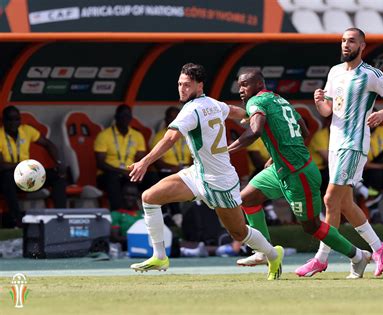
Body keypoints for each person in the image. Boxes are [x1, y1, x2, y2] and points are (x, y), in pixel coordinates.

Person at [128, 63, 284, 280]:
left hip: (220, 181)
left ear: (199, 85)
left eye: (187, 85)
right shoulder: (213, 103)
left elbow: (170, 138)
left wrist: (144, 162)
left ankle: (272, 253)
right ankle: (160, 256)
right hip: (198, 174)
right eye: (180, 84)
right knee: (149, 198)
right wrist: (251, 116)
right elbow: (236, 111)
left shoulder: (191, 110)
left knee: (239, 233)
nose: (182, 89)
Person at [228, 69, 372, 279]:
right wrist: (280, 154)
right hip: (281, 169)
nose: (241, 90)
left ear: (259, 85)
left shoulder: (255, 103)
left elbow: (256, 131)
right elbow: (303, 129)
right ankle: (263, 250)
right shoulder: (279, 99)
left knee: (311, 226)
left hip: (299, 174)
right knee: (247, 199)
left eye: (245, 85)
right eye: (239, 85)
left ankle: (358, 256)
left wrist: (225, 151)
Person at [309, 28, 383, 277]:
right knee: (347, 204)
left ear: (362, 45)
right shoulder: (335, 72)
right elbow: (328, 111)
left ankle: (321, 258)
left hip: (354, 143)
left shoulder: (371, 75)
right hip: (335, 144)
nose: (345, 45)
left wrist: (382, 113)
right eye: (343, 41)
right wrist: (320, 101)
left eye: (351, 41)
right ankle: (377, 248)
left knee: (330, 200)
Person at [0, 106, 67, 228]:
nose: (13, 123)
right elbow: (1, 165)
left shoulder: (26, 131)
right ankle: (17, 219)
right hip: (8, 178)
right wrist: (21, 165)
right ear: (3, 121)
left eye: (16, 119)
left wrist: (58, 162)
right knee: (7, 177)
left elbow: (48, 144)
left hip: (26, 176)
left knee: (58, 175)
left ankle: (60, 215)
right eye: (10, 119)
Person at [94, 104, 147, 210]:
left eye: (128, 116)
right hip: (108, 173)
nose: (125, 118)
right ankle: (117, 212)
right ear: (116, 117)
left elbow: (141, 160)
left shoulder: (137, 136)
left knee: (151, 178)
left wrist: (136, 172)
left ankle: (159, 214)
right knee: (113, 178)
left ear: (131, 118)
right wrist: (122, 172)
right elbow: (100, 163)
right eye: (122, 115)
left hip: (129, 173)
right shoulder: (104, 135)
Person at [150, 106, 192, 227]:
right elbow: (157, 162)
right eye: (171, 117)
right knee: (172, 180)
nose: (174, 120)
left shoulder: (188, 134)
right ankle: (176, 215)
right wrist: (174, 168)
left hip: (187, 170)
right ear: (166, 119)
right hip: (168, 171)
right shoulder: (160, 137)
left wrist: (188, 166)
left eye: (176, 117)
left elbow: (195, 156)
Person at [110, 183, 143, 251]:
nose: (130, 198)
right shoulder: (116, 214)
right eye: (127, 195)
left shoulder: (142, 214)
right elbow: (115, 238)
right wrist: (138, 239)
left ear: (137, 197)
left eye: (133, 195)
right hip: (125, 250)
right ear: (122, 196)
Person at [308, 116, 331, 198]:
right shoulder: (320, 135)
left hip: (323, 168)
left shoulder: (340, 136)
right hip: (313, 169)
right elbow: (329, 159)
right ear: (328, 122)